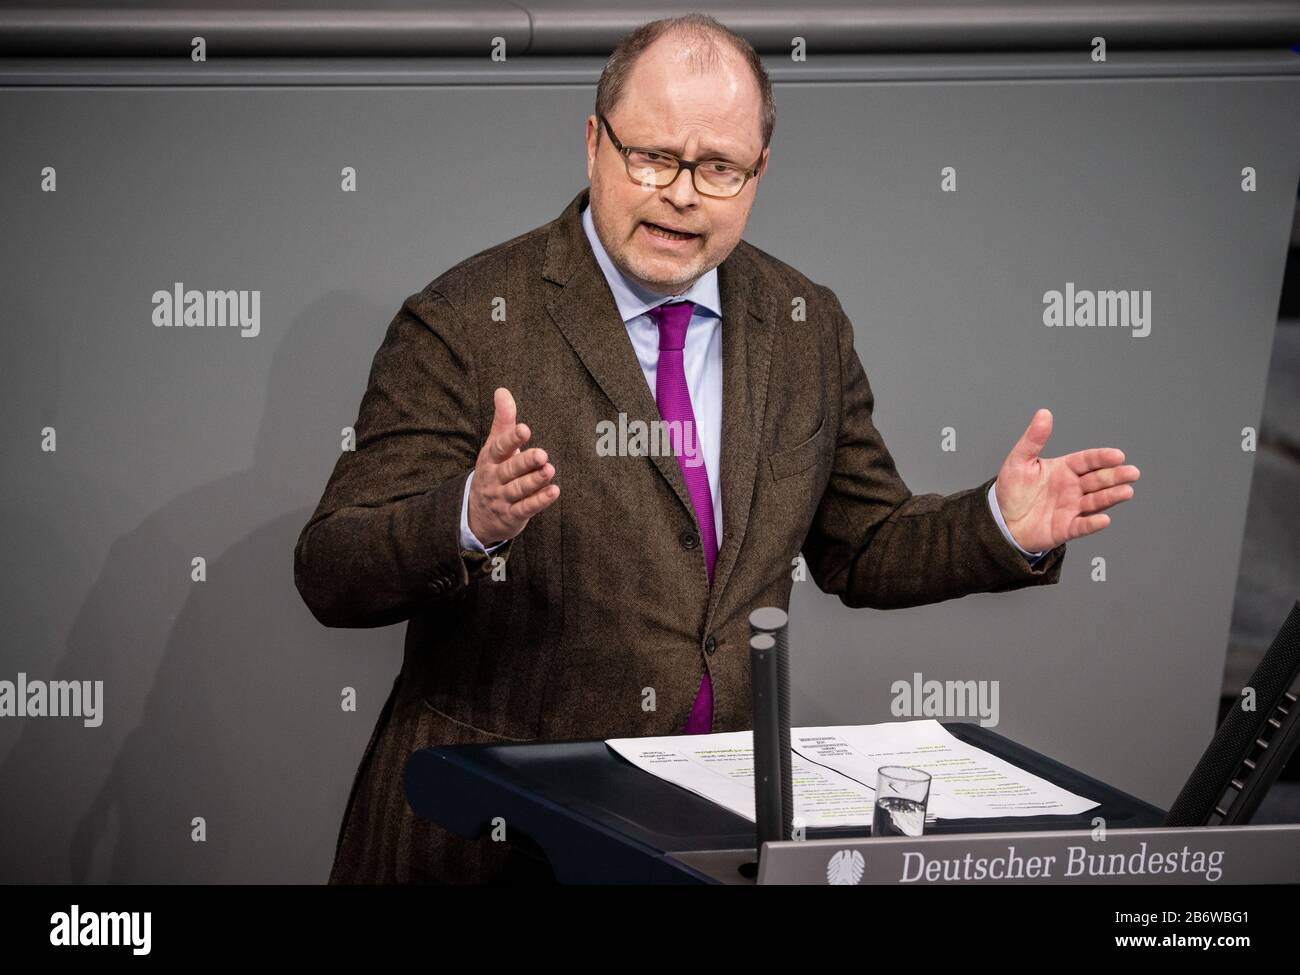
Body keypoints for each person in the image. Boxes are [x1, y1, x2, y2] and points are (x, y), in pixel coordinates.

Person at [293, 13, 1140, 884]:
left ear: (758, 173)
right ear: (594, 144)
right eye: (652, 157)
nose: (682, 193)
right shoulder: (466, 321)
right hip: (491, 846)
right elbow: (330, 568)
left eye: (718, 168)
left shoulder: (803, 323)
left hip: (702, 844)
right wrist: (465, 520)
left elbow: (864, 544)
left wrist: (999, 524)